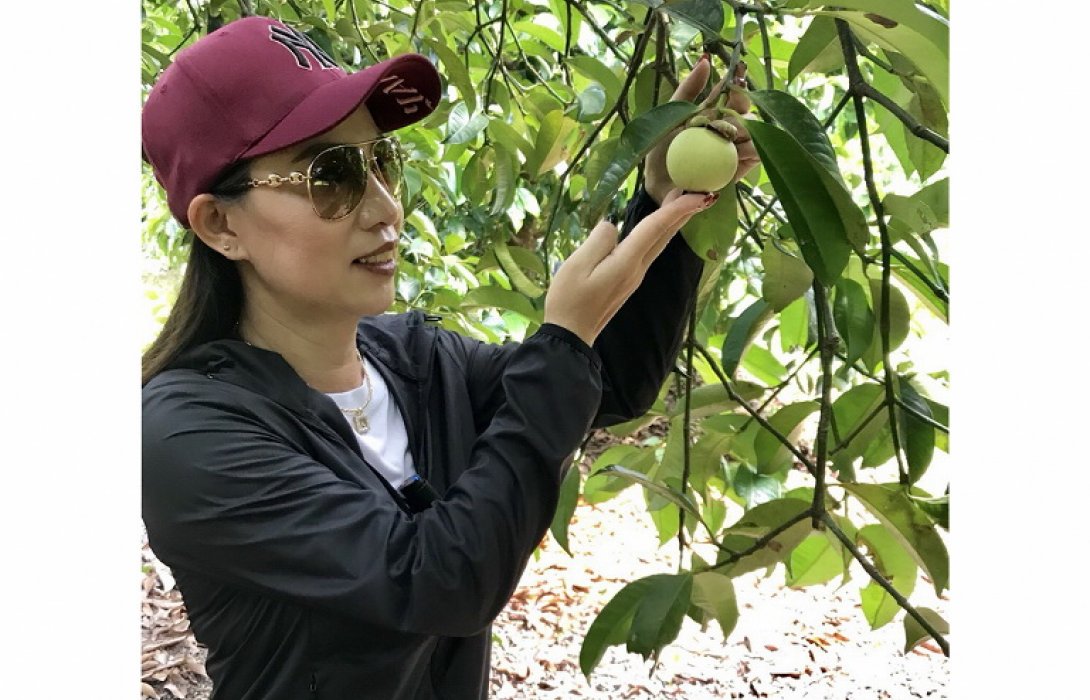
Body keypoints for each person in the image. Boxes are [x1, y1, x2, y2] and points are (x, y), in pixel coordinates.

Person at [141, 14, 757, 700]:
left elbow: (608, 382)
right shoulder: (186, 437)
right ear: (220, 224)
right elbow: (435, 581)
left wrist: (661, 203)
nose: (385, 209)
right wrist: (562, 339)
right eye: (331, 175)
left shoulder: (415, 361)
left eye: (381, 162)